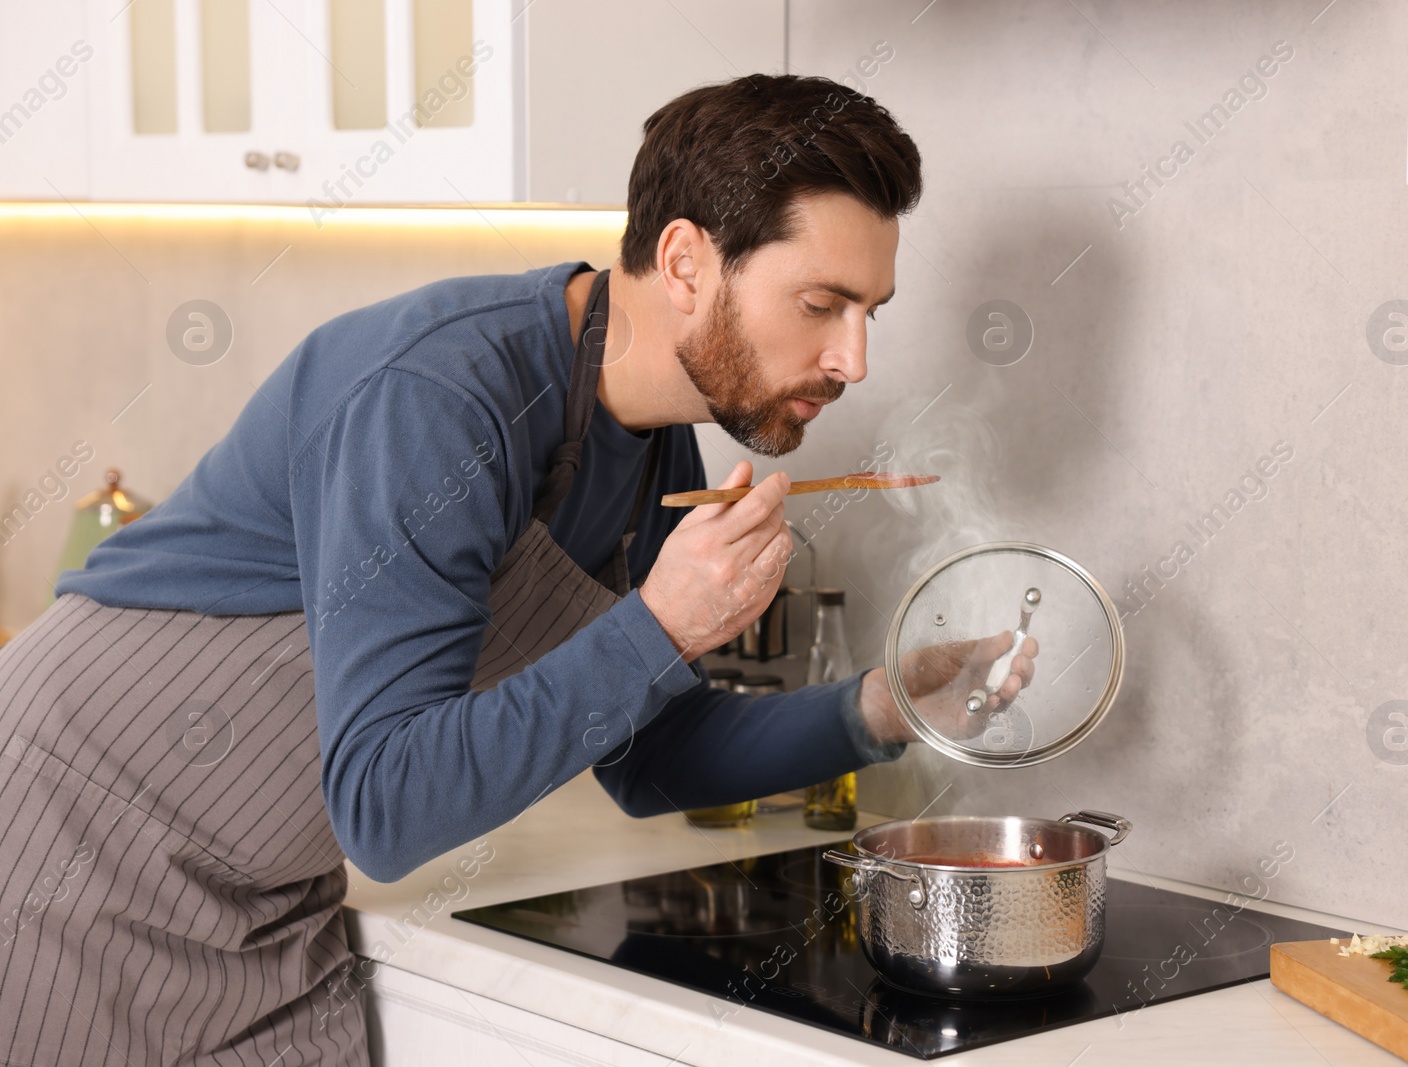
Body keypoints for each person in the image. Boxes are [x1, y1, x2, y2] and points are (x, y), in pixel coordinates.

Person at [0, 74, 1032, 1066]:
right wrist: (662, 623)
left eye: (870, 313)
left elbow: (651, 756)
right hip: (71, 851)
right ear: (683, 263)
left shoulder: (655, 449)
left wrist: (887, 706)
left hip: (265, 897)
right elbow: (386, 806)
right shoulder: (439, 399)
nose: (854, 358)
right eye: (822, 303)